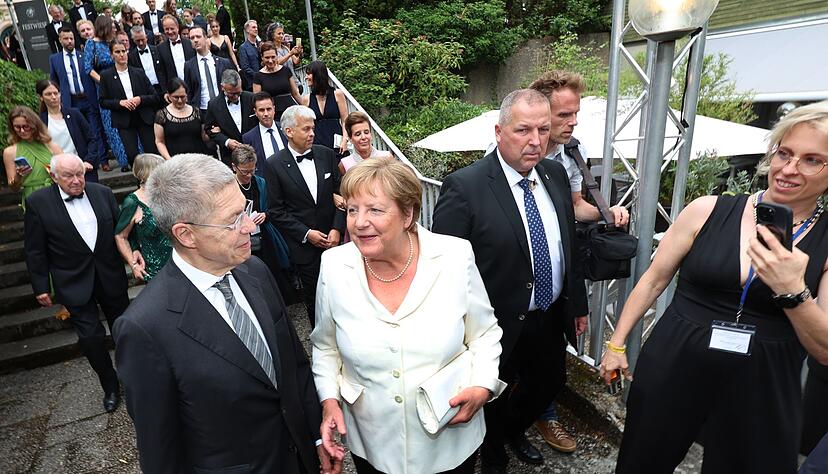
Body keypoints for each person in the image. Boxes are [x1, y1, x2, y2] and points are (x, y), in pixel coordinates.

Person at [599, 101, 828, 473]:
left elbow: (824, 350)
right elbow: (654, 280)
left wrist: (793, 292)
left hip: (763, 384)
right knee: (642, 462)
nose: (788, 169)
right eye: (784, 153)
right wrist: (616, 343)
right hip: (674, 364)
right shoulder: (706, 209)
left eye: (812, 160)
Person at [113, 154, 343, 474]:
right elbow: (161, 451)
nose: (249, 226)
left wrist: (315, 438)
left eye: (244, 210)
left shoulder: (255, 271)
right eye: (233, 220)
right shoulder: (144, 328)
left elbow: (294, 364)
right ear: (185, 234)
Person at [311, 157, 506, 474]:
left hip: (449, 441)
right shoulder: (334, 266)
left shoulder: (454, 256)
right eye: (352, 210)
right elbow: (325, 346)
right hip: (372, 443)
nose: (359, 222)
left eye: (375, 210)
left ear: (407, 214)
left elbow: (484, 333)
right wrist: (329, 401)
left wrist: (483, 385)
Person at [432, 89, 589, 474]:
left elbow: (567, 245)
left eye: (543, 130)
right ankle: (494, 458)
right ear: (499, 131)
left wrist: (578, 304)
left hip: (548, 315)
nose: (535, 141)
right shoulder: (465, 186)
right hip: (493, 323)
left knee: (549, 383)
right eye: (523, 130)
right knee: (492, 393)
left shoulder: (554, 174)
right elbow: (445, 267)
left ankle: (509, 432)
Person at [527, 70, 629, 454]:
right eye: (564, 115)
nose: (573, 123)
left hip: (556, 268)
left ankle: (544, 413)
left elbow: (574, 207)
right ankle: (507, 430)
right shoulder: (505, 151)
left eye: (575, 114)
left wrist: (606, 212)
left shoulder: (573, 151)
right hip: (517, 272)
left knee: (552, 356)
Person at [25, 154, 129, 412]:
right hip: (72, 280)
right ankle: (110, 385)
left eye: (79, 174)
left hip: (109, 275)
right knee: (91, 338)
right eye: (68, 176)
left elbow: (121, 233)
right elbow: (35, 249)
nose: (76, 180)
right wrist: (40, 286)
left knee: (125, 330)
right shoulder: (38, 203)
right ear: (53, 176)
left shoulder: (103, 193)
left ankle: (134, 376)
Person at [263, 105, 345, 327]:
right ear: (289, 131)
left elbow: (341, 195)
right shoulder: (274, 165)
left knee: (342, 294)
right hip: (305, 248)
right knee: (315, 298)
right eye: (306, 129)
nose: (312, 134)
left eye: (313, 128)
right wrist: (307, 234)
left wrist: (337, 229)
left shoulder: (327, 155)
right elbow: (276, 211)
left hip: (334, 241)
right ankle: (321, 341)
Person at [231, 144, 294, 299]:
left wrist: (265, 215)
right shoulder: (228, 188)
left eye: (252, 170)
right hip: (240, 238)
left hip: (264, 236)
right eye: (244, 171)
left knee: (271, 272)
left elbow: (275, 207)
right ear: (234, 167)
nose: (249, 175)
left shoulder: (261, 183)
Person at [49, 26, 104, 168]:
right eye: (66, 39)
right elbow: (54, 81)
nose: (69, 41)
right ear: (60, 40)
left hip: (88, 98)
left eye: (71, 38)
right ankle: (80, 161)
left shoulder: (83, 55)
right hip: (71, 101)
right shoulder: (55, 59)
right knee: (76, 131)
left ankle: (102, 160)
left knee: (95, 130)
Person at [98, 40, 160, 167]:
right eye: (117, 52)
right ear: (111, 55)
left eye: (124, 51)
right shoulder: (106, 76)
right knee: (132, 155)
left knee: (151, 152)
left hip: (143, 116)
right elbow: (103, 101)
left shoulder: (138, 72)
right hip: (124, 119)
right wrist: (120, 103)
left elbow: (154, 96)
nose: (121, 54)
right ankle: (139, 177)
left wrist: (140, 99)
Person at [114, 153, 171, 281]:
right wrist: (133, 264)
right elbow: (120, 236)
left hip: (183, 264)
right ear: (146, 174)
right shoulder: (133, 202)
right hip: (157, 271)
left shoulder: (169, 195)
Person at [83, 15, 129, 171]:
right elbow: (88, 68)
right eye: (111, 27)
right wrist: (104, 82)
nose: (114, 29)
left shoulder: (113, 42)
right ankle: (123, 161)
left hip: (121, 83)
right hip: (103, 87)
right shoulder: (91, 44)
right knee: (111, 126)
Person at [37, 79, 100, 183]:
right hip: (59, 173)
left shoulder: (74, 114)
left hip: (83, 168)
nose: (53, 97)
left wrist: (89, 161)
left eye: (55, 93)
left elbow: (91, 139)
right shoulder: (40, 121)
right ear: (41, 97)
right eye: (48, 94)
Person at [3, 106, 63, 209]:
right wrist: (18, 176)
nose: (22, 131)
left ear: (34, 125)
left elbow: (65, 173)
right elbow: (14, 188)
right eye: (17, 127)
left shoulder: (52, 146)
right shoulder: (10, 152)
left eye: (26, 126)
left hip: (54, 194)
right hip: (32, 197)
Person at [204, 69, 257, 164]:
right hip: (230, 156)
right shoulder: (213, 105)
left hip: (255, 152)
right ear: (222, 87)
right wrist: (226, 141)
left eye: (238, 92)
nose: (236, 97)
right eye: (232, 94)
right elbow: (209, 129)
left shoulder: (251, 98)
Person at [155, 77, 209, 159]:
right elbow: (159, 142)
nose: (180, 100)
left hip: (198, 160)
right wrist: (169, 159)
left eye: (183, 97)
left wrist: (212, 132)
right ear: (169, 95)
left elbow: (204, 137)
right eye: (176, 97)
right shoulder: (161, 115)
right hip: (176, 161)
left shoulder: (197, 112)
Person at [300, 61, 347, 154]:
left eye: (309, 74)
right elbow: (304, 124)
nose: (306, 77)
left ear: (318, 75)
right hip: (317, 145)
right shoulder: (306, 99)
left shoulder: (337, 94)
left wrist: (345, 140)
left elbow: (345, 120)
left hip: (338, 144)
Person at [184, 26, 233, 113]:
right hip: (202, 110)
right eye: (192, 38)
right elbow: (189, 91)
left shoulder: (223, 62)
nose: (195, 40)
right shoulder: (189, 66)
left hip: (224, 108)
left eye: (198, 36)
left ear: (206, 38)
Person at [242, 91, 288, 175]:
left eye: (269, 109)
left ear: (274, 109)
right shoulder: (248, 138)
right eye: (261, 110)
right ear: (255, 112)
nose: (266, 114)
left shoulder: (287, 129)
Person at [253, 42, 301, 121]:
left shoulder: (286, 71)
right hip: (272, 116)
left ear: (277, 56)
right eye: (267, 57)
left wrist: (307, 108)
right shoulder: (258, 76)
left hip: (291, 112)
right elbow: (257, 101)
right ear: (262, 57)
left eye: (273, 57)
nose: (270, 61)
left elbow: (296, 94)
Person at [128, 26, 166, 96]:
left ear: (146, 37)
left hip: (161, 89)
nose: (141, 43)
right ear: (133, 40)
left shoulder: (157, 50)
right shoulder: (131, 57)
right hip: (145, 92)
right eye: (138, 40)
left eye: (142, 39)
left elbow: (163, 69)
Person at [157, 14, 195, 82]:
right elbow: (161, 72)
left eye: (172, 28)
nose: (170, 32)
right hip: (174, 87)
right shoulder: (160, 49)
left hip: (193, 84)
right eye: (167, 29)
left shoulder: (190, 43)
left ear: (177, 28)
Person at [238, 20, 260, 90]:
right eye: (253, 27)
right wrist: (259, 76)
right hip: (252, 83)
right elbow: (245, 67)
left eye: (256, 27)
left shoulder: (261, 45)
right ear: (247, 30)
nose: (256, 29)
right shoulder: (243, 48)